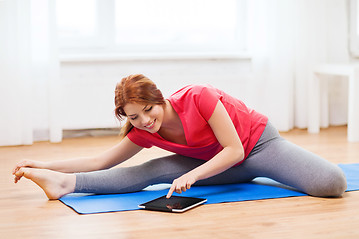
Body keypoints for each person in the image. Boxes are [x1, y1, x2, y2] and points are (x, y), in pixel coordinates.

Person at [12, 74, 347, 200]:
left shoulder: (199, 96)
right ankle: (65, 185)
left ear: (160, 98)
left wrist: (192, 174)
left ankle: (279, 167)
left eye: (148, 110)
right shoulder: (142, 129)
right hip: (216, 164)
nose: (144, 121)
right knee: (152, 170)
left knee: (332, 183)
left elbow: (234, 149)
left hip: (257, 146)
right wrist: (44, 163)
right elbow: (101, 160)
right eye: (133, 117)